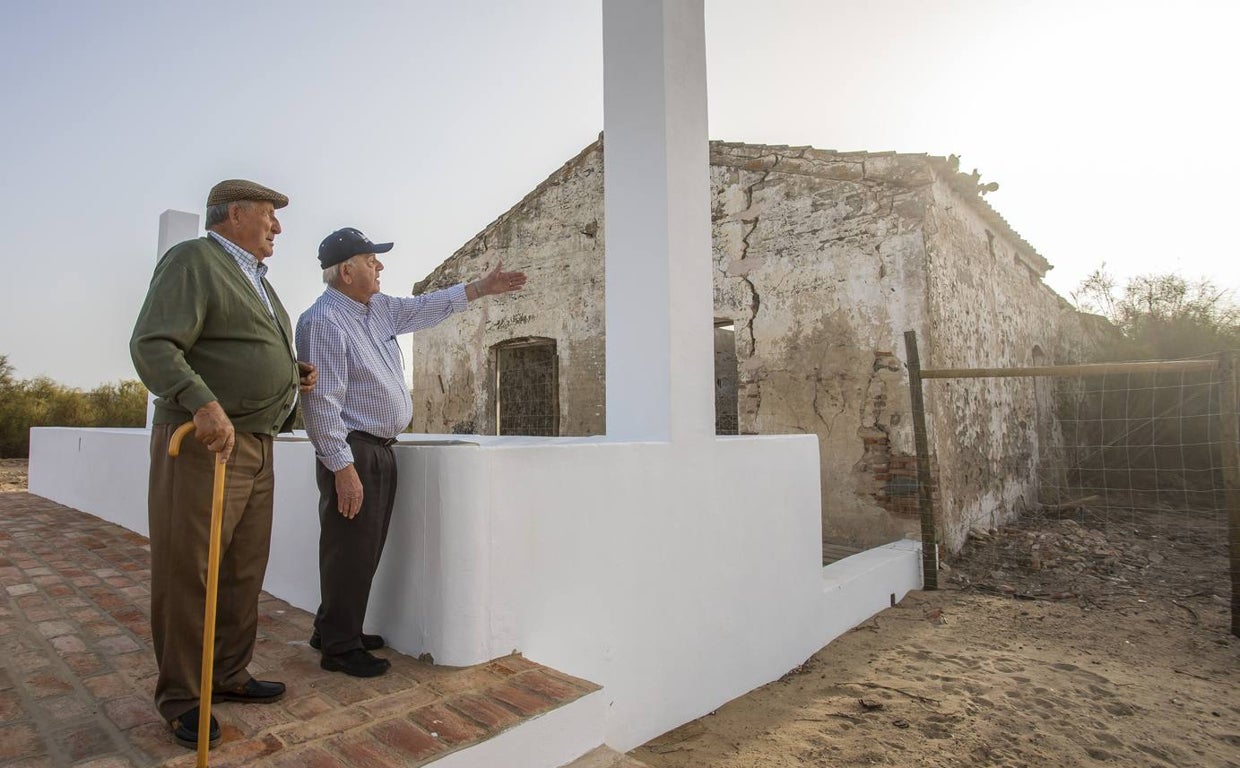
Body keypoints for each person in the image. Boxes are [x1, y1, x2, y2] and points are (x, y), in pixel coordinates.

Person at [130, 179, 318, 749]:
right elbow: (154, 343)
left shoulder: (256, 280)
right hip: (205, 442)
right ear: (235, 214)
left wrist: (292, 372)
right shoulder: (194, 259)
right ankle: (184, 697)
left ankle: (228, 675)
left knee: (242, 569)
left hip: (257, 443)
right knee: (192, 571)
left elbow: (241, 347)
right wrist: (201, 400)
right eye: (269, 216)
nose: (277, 228)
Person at [296, 227, 526, 677]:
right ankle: (339, 649)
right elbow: (320, 402)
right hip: (353, 451)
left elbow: (423, 309)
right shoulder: (322, 321)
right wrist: (341, 466)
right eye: (370, 259)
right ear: (346, 271)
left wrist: (479, 288)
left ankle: (334, 627)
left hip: (379, 449)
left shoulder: (377, 308)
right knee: (348, 549)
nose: (379, 266)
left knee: (365, 547)